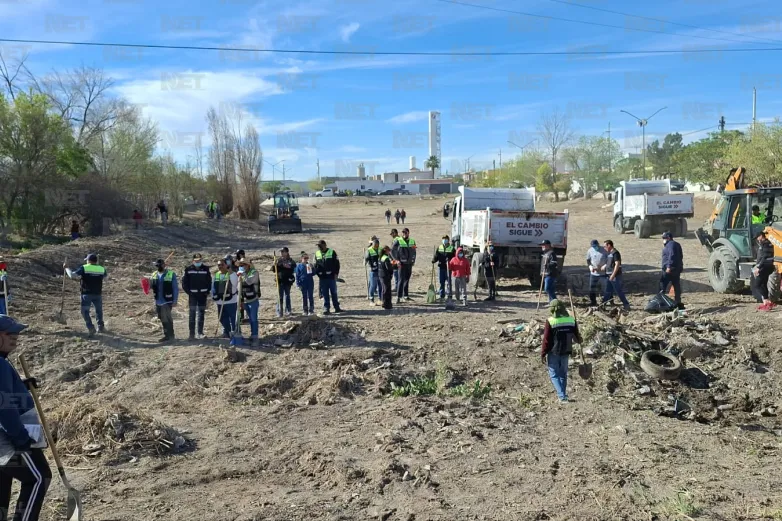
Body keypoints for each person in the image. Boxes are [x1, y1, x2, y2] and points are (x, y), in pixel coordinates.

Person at [0, 315, 52, 521]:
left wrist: (20, 384)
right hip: (8, 439)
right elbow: (3, 406)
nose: (16, 337)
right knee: (39, 478)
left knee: (3, 482)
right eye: (9, 333)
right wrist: (21, 438)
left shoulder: (3, 362)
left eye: (17, 332)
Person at [541, 299, 583, 403]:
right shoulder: (571, 320)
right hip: (566, 350)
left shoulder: (550, 321)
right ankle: (563, 395)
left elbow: (546, 339)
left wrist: (543, 353)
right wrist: (579, 339)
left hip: (554, 351)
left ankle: (562, 396)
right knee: (563, 374)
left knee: (554, 374)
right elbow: (577, 338)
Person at [65, 254, 107, 337]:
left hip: (86, 294)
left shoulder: (84, 267)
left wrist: (66, 268)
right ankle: (100, 327)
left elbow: (72, 275)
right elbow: (105, 277)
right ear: (96, 261)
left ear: (89, 260)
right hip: (98, 293)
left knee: (85, 311)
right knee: (99, 311)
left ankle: (91, 327)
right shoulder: (102, 269)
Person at [181, 253, 211, 340]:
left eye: (199, 260)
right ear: (193, 261)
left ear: (201, 260)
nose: (198, 262)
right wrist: (189, 293)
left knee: (201, 314)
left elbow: (209, 281)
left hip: (202, 295)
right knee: (192, 314)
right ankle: (191, 334)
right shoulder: (188, 269)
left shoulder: (206, 269)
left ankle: (200, 333)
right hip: (193, 296)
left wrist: (207, 291)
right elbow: (184, 283)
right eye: (196, 261)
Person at [150, 258, 178, 343]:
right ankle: (167, 335)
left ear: (163, 265)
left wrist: (175, 300)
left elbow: (175, 288)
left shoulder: (171, 274)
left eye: (159, 265)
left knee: (167, 318)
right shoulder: (154, 274)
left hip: (167, 300)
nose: (158, 267)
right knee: (162, 318)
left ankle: (171, 336)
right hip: (158, 300)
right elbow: (151, 286)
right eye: (156, 266)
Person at [212, 259, 239, 338]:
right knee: (222, 318)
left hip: (231, 301)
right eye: (219, 265)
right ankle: (227, 332)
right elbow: (213, 287)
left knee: (233, 318)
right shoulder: (217, 275)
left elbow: (235, 284)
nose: (220, 266)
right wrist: (214, 296)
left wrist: (230, 272)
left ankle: (236, 333)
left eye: (222, 265)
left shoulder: (232, 274)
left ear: (226, 265)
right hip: (220, 301)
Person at [601, 240, 631, 311]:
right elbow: (610, 263)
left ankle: (626, 305)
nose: (604, 248)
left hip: (614, 276)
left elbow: (617, 264)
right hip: (609, 275)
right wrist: (605, 266)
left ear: (609, 245)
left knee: (618, 290)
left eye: (605, 246)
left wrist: (613, 275)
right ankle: (602, 305)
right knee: (608, 291)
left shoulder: (615, 253)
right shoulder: (610, 254)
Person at [315, 240, 341, 315]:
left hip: (331, 276)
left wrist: (336, 274)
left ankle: (336, 307)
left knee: (334, 292)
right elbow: (315, 265)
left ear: (324, 245)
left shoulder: (332, 252)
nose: (319, 247)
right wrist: (318, 273)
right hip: (322, 277)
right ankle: (326, 308)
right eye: (318, 246)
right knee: (325, 293)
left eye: (320, 245)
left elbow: (337, 264)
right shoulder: (317, 253)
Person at [238, 258, 260, 346]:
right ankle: (252, 334)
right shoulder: (241, 274)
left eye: (243, 265)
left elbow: (250, 282)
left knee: (254, 318)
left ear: (248, 265)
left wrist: (243, 275)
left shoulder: (254, 272)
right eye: (240, 265)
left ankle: (255, 336)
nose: (242, 266)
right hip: (245, 300)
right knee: (250, 319)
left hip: (253, 299)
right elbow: (239, 287)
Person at [660, 231, 685, 309]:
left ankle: (661, 302)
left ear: (668, 238)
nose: (663, 240)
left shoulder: (671, 244)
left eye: (664, 238)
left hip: (669, 270)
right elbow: (681, 256)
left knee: (662, 286)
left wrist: (669, 267)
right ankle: (677, 302)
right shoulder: (676, 244)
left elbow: (672, 255)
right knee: (676, 286)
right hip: (676, 269)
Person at [752, 231, 776, 311]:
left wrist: (758, 267)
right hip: (768, 266)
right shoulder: (767, 243)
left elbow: (765, 257)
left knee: (757, 285)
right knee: (763, 284)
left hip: (765, 266)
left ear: (761, 236)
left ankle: (767, 301)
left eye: (757, 238)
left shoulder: (766, 244)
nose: (757, 240)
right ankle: (767, 303)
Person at [392, 227, 417, 303]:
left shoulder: (412, 241)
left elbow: (414, 251)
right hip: (401, 264)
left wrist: (413, 260)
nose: (404, 234)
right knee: (401, 280)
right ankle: (399, 297)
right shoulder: (398, 241)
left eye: (405, 232)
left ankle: (405, 296)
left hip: (409, 264)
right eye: (403, 232)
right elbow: (392, 251)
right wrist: (396, 260)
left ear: (408, 233)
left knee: (407, 279)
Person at [432, 235, 455, 300]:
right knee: (441, 282)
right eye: (443, 239)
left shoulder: (452, 248)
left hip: (448, 268)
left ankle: (449, 295)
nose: (444, 240)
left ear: (448, 240)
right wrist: (434, 260)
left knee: (448, 282)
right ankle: (442, 295)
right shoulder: (439, 247)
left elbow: (454, 258)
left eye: (446, 239)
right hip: (441, 267)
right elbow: (436, 256)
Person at [275, 247, 296, 317]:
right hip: (280, 281)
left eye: (283, 251)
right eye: (281, 252)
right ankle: (279, 311)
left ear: (287, 252)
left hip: (287, 281)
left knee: (287, 296)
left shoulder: (290, 260)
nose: (281, 253)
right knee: (279, 296)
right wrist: (274, 265)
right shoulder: (278, 260)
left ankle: (288, 310)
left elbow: (292, 266)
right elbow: (275, 269)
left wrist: (282, 265)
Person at [586, 239, 607, 306]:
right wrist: (590, 267)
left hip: (603, 273)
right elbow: (588, 260)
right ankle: (593, 301)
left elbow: (609, 260)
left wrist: (605, 266)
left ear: (598, 244)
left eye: (596, 246)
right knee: (592, 288)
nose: (595, 247)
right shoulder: (590, 250)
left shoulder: (604, 250)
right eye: (593, 246)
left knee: (605, 288)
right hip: (594, 273)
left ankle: (606, 301)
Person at [365, 236, 382, 305]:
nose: (376, 247)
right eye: (375, 246)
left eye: (377, 246)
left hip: (380, 270)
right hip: (373, 271)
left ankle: (380, 299)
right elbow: (365, 260)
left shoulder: (380, 249)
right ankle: (371, 300)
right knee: (372, 286)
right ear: (373, 245)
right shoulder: (369, 250)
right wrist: (365, 261)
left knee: (380, 285)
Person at [378, 245, 396, 310]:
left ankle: (383, 302)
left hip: (381, 275)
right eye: (389, 250)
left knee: (383, 289)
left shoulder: (381, 257)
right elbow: (389, 268)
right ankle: (387, 304)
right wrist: (393, 266)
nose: (389, 252)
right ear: (386, 250)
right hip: (385, 276)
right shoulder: (386, 258)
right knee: (387, 290)